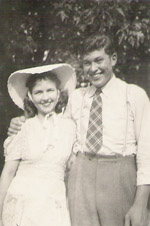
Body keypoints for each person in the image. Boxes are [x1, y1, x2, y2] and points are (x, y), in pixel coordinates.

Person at [7, 34, 150, 226]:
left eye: (99, 60)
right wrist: (22, 122)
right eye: (87, 63)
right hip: (81, 178)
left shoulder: (133, 95)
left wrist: (141, 202)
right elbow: (54, 130)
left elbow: (146, 153)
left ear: (113, 59)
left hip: (119, 175)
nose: (93, 68)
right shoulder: (76, 97)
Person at [0, 63, 76, 226]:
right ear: (30, 96)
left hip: (54, 204)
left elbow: (71, 170)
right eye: (39, 92)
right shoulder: (22, 127)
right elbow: (8, 172)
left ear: (58, 92)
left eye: (49, 90)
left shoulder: (70, 128)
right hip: (23, 203)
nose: (45, 97)